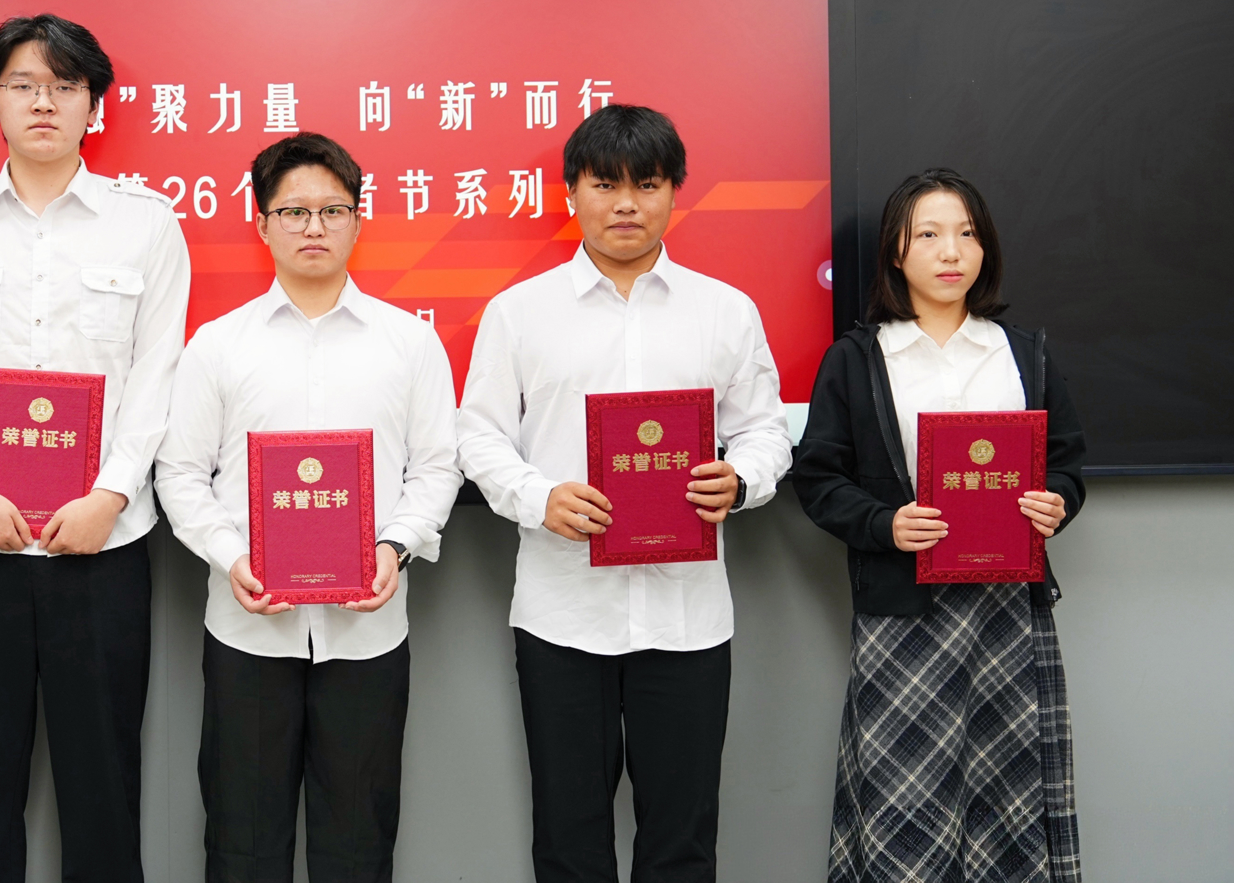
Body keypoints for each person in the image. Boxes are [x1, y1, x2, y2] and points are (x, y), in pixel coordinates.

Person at [0, 13, 188, 882]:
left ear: (95, 105)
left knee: (104, 787)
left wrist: (111, 496)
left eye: (64, 86)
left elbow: (158, 376)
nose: (43, 102)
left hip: (102, 547)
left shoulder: (146, 225)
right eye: (22, 85)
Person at [456, 104, 791, 883]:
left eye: (648, 184)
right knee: (568, 839)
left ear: (675, 191)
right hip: (562, 613)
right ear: (571, 192)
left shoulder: (725, 311)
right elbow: (477, 436)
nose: (627, 204)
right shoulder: (519, 313)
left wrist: (740, 480)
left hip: (687, 615)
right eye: (605, 185)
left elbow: (766, 432)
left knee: (682, 841)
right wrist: (539, 497)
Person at [155, 133, 461, 883]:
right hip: (249, 631)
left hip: (368, 631)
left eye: (332, 210)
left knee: (358, 842)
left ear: (359, 221)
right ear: (262, 224)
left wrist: (395, 546)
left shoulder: (409, 344)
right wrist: (232, 557)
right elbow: (181, 474)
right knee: (242, 841)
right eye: (293, 211)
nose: (314, 227)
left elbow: (437, 466)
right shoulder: (218, 346)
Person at [792, 168, 1086, 883]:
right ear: (896, 252)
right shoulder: (858, 359)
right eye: (928, 234)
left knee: (1008, 810)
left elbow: (1066, 465)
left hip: (1006, 615)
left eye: (967, 234)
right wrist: (885, 523)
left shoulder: (1023, 353)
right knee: (905, 813)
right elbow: (818, 479)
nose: (951, 251)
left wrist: (1056, 501)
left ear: (986, 249)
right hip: (905, 617)